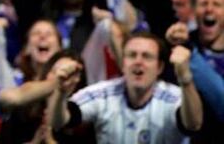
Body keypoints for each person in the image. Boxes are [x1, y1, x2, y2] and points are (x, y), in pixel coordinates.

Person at [47, 32, 203, 144]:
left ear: (160, 67)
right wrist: (61, 93)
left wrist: (186, 80)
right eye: (132, 55)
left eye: (147, 56)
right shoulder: (104, 93)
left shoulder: (174, 97)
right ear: (122, 64)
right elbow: (59, 122)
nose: (138, 61)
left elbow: (194, 123)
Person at [166, 0, 224, 142]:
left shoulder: (187, 48)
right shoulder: (179, 45)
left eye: (217, 4)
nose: (209, 9)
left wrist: (188, 50)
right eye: (203, 4)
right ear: (194, 12)